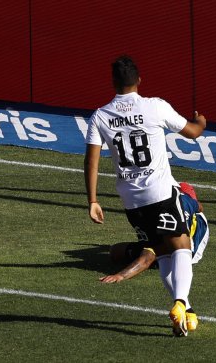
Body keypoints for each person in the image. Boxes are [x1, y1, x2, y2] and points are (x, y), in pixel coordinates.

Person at [85, 55, 207, 336]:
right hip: (161, 192)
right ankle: (180, 302)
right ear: (139, 80)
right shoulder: (155, 106)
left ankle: (186, 311)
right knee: (181, 246)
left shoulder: (101, 116)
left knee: (161, 252)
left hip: (132, 201)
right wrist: (200, 122)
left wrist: (93, 200)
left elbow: (91, 160)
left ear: (113, 82)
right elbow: (192, 133)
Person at [99, 181, 210, 287]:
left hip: (187, 242)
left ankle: (180, 297)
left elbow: (147, 257)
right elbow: (199, 206)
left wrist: (121, 275)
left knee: (157, 253)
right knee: (115, 251)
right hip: (181, 217)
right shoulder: (177, 200)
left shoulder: (171, 207)